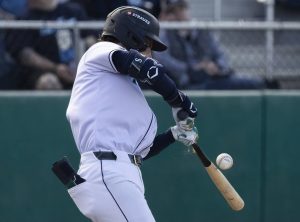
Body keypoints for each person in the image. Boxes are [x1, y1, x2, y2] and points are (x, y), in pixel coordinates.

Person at [66, 6, 198, 222]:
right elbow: (147, 69)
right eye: (148, 45)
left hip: (119, 174)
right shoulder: (100, 51)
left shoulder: (118, 85)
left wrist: (174, 134)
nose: (150, 53)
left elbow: (138, 153)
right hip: (107, 172)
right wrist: (178, 100)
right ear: (132, 36)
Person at [153, 0, 276, 90]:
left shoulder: (201, 31)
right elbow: (163, 59)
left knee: (252, 83)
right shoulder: (166, 33)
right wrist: (193, 68)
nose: (179, 14)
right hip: (188, 83)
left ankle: (267, 85)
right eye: (174, 11)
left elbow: (221, 55)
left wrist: (216, 66)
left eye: (181, 9)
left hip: (213, 77)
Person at [5, 0, 97, 90]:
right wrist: (56, 68)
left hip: (79, 66)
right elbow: (26, 55)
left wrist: (87, 63)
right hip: (44, 71)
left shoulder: (73, 10)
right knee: (48, 82)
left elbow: (90, 38)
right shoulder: (25, 19)